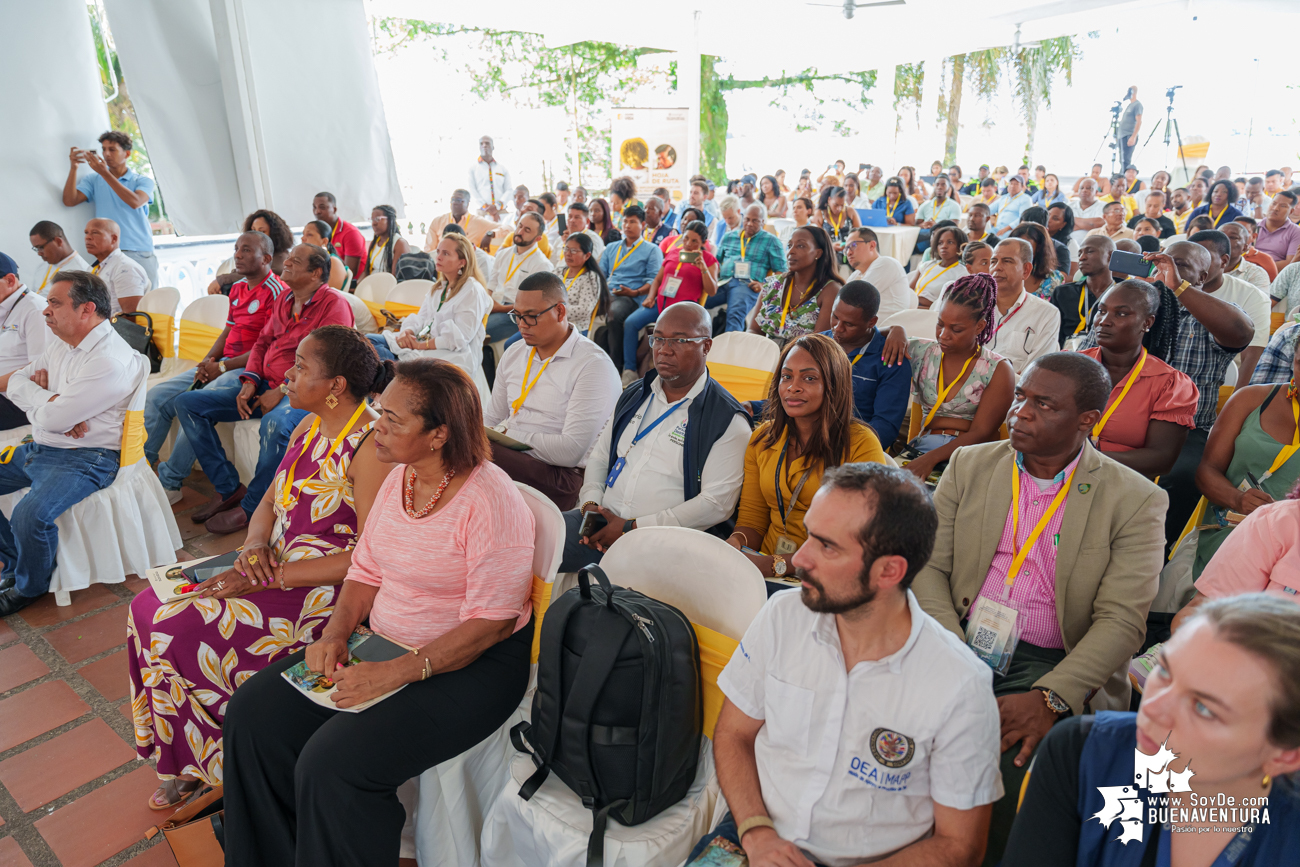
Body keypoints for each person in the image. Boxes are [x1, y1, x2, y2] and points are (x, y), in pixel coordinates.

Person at [221, 358, 536, 867]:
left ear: (439, 434)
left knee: (333, 765)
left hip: (471, 665)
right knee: (254, 714)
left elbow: (491, 623)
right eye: (378, 411)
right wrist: (335, 634)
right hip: (384, 641)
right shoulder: (400, 478)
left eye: (392, 419)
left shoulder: (490, 500)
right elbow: (365, 571)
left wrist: (392, 674)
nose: (375, 425)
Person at [913, 351, 1166, 861]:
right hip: (955, 638)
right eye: (1021, 396)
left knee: (1008, 768)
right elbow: (928, 569)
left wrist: (1052, 698)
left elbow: (1122, 621)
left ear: (1087, 419)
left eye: (1043, 404)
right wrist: (954, 654)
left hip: (1055, 664)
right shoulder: (970, 463)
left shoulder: (1134, 499)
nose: (1020, 412)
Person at [131, 326, 394, 807]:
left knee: (177, 627)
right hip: (273, 564)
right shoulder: (308, 425)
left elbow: (368, 557)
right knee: (146, 605)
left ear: (336, 385)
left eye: (301, 368)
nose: (287, 376)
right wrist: (253, 545)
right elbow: (270, 498)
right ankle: (187, 750)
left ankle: (212, 763)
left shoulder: (370, 446)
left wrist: (270, 575)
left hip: (323, 589)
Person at [689, 463, 1001, 867]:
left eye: (827, 546)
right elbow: (734, 734)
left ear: (889, 571)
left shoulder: (959, 684)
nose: (799, 558)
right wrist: (756, 832)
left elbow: (961, 846)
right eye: (808, 536)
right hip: (755, 835)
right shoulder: (783, 615)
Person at [1004, 595, 1300, 867]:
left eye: (1204, 708)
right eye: (1165, 672)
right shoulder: (1084, 752)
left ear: (1285, 756)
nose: (1154, 708)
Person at [1075, 245, 1254, 552]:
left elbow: (1241, 333)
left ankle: (1159, 550)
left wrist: (1178, 287)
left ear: (1203, 275)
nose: (1166, 269)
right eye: (1160, 262)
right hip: (1106, 424)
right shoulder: (1125, 308)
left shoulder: (1206, 312)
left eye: (1179, 265)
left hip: (1184, 428)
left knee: (1181, 475)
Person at [176, 245, 354, 535]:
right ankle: (228, 488)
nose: (287, 264)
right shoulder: (285, 298)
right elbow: (261, 343)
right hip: (265, 383)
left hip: (307, 392)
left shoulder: (333, 304)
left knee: (276, 423)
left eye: (296, 261)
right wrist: (249, 381)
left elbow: (327, 364)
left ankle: (252, 509)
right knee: (188, 403)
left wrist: (284, 389)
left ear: (316, 273)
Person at [0, 272, 146, 616]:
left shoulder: (107, 360)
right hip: (45, 446)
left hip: (87, 456)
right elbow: (17, 383)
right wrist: (52, 401)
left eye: (54, 303)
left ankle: (29, 587)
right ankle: (15, 562)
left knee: (30, 515)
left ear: (87, 309)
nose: (45, 311)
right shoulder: (62, 341)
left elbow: (50, 417)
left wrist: (52, 410)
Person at [563, 302, 750, 570]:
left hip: (663, 543)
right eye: (658, 338)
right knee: (528, 538)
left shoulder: (727, 419)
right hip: (599, 524)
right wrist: (591, 504)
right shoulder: (635, 394)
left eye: (679, 340)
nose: (664, 349)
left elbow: (716, 504)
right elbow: (601, 455)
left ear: (706, 346)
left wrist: (631, 527)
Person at [729, 334, 885, 577]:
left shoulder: (860, 444)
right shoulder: (762, 438)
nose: (793, 387)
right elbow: (752, 520)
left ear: (834, 385)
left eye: (809, 378)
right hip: (765, 570)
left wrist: (775, 565)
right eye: (786, 376)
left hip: (829, 575)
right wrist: (736, 544)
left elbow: (857, 541)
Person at [147, 232, 285, 503]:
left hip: (248, 370)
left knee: (195, 403)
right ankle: (141, 471)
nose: (237, 255)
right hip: (223, 364)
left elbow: (268, 349)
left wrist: (222, 368)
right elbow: (228, 332)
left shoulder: (277, 292)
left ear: (266, 258)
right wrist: (208, 361)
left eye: (246, 250)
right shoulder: (237, 288)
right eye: (236, 249)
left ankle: (170, 482)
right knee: (157, 397)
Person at [483, 271, 619, 510]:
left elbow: (570, 452)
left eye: (531, 316)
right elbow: (492, 418)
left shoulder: (593, 365)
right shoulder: (515, 352)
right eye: (517, 316)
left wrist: (507, 434)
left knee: (468, 451)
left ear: (560, 311)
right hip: (510, 455)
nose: (523, 325)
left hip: (562, 476)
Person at [885, 274, 1016, 481]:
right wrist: (895, 329)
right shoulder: (922, 351)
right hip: (925, 446)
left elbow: (981, 432)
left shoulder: (998, 369)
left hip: (972, 455)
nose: (943, 335)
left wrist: (929, 460)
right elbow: (867, 335)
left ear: (980, 326)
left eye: (956, 329)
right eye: (940, 324)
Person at [1190, 346, 1300, 580]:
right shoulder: (1251, 399)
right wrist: (1237, 499)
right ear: (1292, 361)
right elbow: (1207, 471)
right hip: (1235, 530)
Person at [1080, 280, 1198, 479]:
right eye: (1101, 310)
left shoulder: (1169, 384)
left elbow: (1161, 459)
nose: (1104, 321)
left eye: (1121, 313)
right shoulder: (1069, 367)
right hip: (1059, 475)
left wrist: (1084, 461)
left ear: (1147, 322)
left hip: (1125, 483)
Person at [367, 234, 492, 399]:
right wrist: (408, 333)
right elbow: (422, 319)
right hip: (423, 342)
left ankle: (382, 403)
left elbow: (459, 338)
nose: (438, 257)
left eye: (446, 253)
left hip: (451, 353)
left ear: (462, 262)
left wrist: (420, 346)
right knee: (368, 341)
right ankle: (378, 402)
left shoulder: (472, 290)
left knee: (378, 358)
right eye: (438, 251)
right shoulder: (439, 287)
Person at [63, 130, 156, 290]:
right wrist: (73, 168)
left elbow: (135, 202)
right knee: (108, 304)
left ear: (126, 153)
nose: (106, 154)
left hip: (138, 251)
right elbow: (69, 201)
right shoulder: (93, 179)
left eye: (112, 149)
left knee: (145, 304)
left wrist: (104, 173)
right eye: (104, 149)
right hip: (107, 252)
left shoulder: (142, 180)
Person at [1189, 229, 1271, 385]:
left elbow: (1251, 358)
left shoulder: (1252, 297)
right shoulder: (1170, 290)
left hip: (1225, 383)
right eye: (1188, 259)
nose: (1194, 266)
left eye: (1203, 259)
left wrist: (1237, 404)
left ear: (1224, 261)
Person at [595, 205, 664, 380]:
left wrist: (634, 292)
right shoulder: (611, 248)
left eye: (632, 222)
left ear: (642, 224)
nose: (627, 225)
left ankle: (617, 367)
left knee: (615, 314)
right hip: (609, 293)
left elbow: (653, 280)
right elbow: (600, 275)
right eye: (625, 221)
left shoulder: (651, 250)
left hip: (632, 297)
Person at [752, 226, 843, 344]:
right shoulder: (773, 285)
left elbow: (819, 344)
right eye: (789, 246)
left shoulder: (830, 291)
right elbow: (753, 330)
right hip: (767, 356)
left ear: (818, 253)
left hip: (804, 359)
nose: (791, 251)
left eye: (800, 246)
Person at [985, 238, 1061, 374]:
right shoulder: (975, 306)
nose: (997, 267)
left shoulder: (1046, 314)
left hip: (1014, 392)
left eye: (1007, 261)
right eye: (993, 261)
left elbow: (1036, 371)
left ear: (1026, 270)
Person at [715, 203, 787, 333]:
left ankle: (730, 351)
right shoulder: (729, 237)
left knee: (734, 315)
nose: (749, 224)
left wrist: (765, 286)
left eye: (755, 221)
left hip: (747, 285)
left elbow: (781, 271)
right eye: (747, 219)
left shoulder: (771, 241)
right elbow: (716, 262)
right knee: (693, 302)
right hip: (722, 283)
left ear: (763, 222)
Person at [0, 254, 51, 430]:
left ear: (9, 280)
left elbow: (38, 368)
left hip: (15, 399)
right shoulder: (4, 303)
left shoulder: (35, 310)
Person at [485, 213, 551, 345]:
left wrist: (498, 308)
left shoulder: (542, 265)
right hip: (493, 305)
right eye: (520, 226)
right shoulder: (503, 254)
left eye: (527, 230)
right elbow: (490, 286)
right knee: (462, 321)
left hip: (515, 315)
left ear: (538, 238)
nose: (519, 232)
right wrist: (487, 302)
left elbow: (534, 305)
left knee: (477, 329)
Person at [209, 210, 296, 295]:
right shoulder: (256, 253)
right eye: (253, 230)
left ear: (274, 234)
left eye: (262, 231)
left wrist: (222, 280)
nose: (256, 235)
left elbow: (257, 274)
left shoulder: (281, 257)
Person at [1050, 235, 1115, 344]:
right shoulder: (1062, 293)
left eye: (1089, 252)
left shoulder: (1123, 294)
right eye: (1079, 253)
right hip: (1066, 356)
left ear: (1110, 255)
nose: (1082, 258)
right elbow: (1052, 335)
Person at [845, 226, 913, 321]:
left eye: (853, 245)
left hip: (886, 332)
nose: (848, 252)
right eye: (846, 248)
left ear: (872, 245)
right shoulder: (855, 275)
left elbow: (853, 301)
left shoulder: (886, 263)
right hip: (864, 331)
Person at [84, 218, 148, 314]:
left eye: (95, 233)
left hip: (114, 328)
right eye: (86, 233)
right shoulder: (94, 268)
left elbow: (131, 317)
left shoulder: (125, 268)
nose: (88, 237)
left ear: (113, 239)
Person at [553, 231, 610, 338]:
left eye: (574, 251)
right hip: (551, 324)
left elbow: (584, 310)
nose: (568, 253)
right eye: (566, 248)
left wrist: (553, 311)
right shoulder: (557, 272)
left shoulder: (590, 277)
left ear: (587, 255)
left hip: (574, 329)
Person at [911, 225, 969, 309]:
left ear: (960, 247)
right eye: (940, 243)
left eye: (950, 242)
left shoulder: (962, 273)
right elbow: (908, 290)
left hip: (931, 313)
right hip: (912, 306)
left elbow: (952, 307)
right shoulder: (928, 264)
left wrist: (915, 308)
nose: (944, 246)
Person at [311, 192, 366, 278]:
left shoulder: (351, 233)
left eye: (322, 207)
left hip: (350, 284)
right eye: (314, 207)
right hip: (330, 277)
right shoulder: (320, 231)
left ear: (334, 209)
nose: (317, 211)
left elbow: (350, 271)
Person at [27, 221, 90, 295]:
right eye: (36, 249)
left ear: (58, 241)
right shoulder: (42, 267)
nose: (39, 253)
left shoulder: (81, 272)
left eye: (41, 247)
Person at [424, 189, 498, 251]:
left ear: (468, 203)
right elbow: (429, 250)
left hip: (467, 265)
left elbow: (508, 228)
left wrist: (491, 234)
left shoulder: (478, 222)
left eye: (458, 200)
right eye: (452, 200)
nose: (454, 203)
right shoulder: (438, 221)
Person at [1008, 222, 1063, 300]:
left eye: (1026, 248)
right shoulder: (999, 273)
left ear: (1039, 248)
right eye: (1014, 246)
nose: (1018, 252)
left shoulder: (1053, 279)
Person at [359, 205, 410, 280]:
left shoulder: (399, 243)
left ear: (389, 220)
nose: (373, 223)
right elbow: (366, 272)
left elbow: (394, 277)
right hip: (371, 284)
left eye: (377, 219)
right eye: (372, 220)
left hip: (387, 287)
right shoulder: (375, 242)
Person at [1221, 221, 1271, 295]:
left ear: (1244, 248)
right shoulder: (1203, 267)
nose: (1225, 240)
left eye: (1232, 237)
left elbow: (1258, 305)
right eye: (1221, 236)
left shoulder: (1255, 274)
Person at [469, 135, 512, 218]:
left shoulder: (502, 169)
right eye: (481, 144)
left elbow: (509, 190)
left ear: (493, 147)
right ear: (479, 147)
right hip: (482, 214)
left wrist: (497, 206)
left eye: (487, 143)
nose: (484, 145)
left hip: (501, 213)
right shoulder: (473, 169)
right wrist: (486, 207)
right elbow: (472, 190)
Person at [298, 220, 350, 290]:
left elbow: (329, 294)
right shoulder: (308, 261)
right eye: (303, 234)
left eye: (309, 235)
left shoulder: (333, 262)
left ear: (324, 241)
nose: (302, 238)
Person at [1255, 190, 1300, 266]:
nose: (1275, 208)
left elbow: (1290, 263)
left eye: (1283, 206)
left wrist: (1259, 270)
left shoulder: (1296, 232)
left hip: (1277, 275)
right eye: (1273, 203)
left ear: (1291, 211)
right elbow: (1243, 255)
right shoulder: (1254, 227)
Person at [554, 202, 606, 267]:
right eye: (570, 216)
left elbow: (588, 264)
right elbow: (552, 262)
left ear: (587, 221)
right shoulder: (561, 239)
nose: (572, 220)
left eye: (577, 217)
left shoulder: (593, 239)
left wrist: (568, 243)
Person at [1233, 217, 1281, 282]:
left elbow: (1272, 287)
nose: (1238, 235)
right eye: (1234, 231)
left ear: (1253, 237)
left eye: (1244, 232)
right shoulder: (1220, 255)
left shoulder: (1265, 259)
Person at [1068, 178, 1105, 246]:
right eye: (1081, 188)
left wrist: (1071, 220)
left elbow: (1099, 224)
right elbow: (1063, 225)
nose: (1084, 190)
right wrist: (1089, 224)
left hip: (1095, 246)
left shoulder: (1104, 206)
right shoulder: (1069, 206)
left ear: (1096, 192)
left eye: (1089, 188)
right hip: (1070, 245)